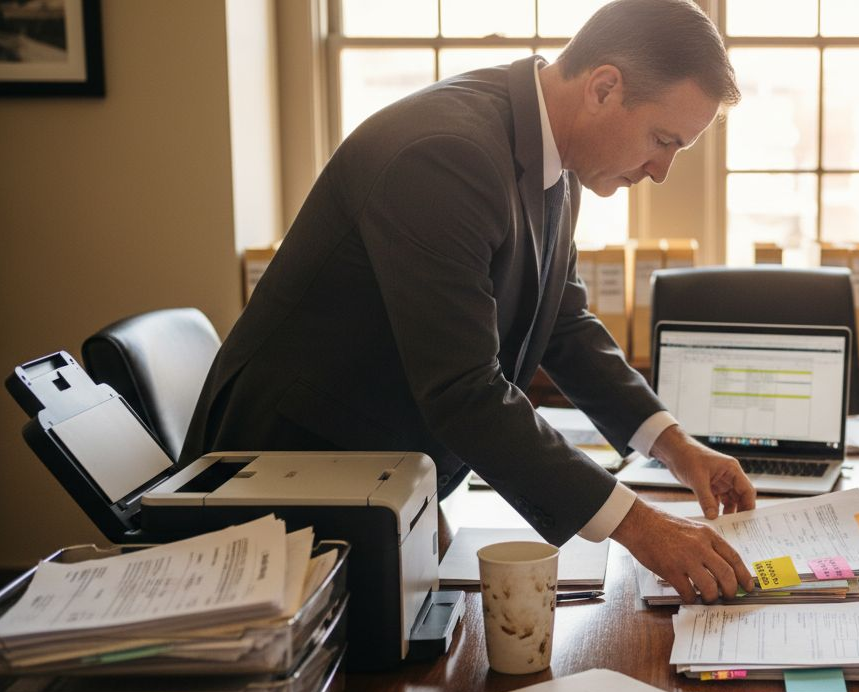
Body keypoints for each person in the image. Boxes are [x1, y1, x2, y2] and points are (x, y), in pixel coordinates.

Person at [181, 0, 755, 603]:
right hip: (288, 486)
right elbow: (463, 390)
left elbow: (562, 323)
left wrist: (675, 447)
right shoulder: (445, 153)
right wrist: (639, 525)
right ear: (604, 88)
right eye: (662, 140)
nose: (661, 171)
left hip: (382, 475)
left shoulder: (557, 156)